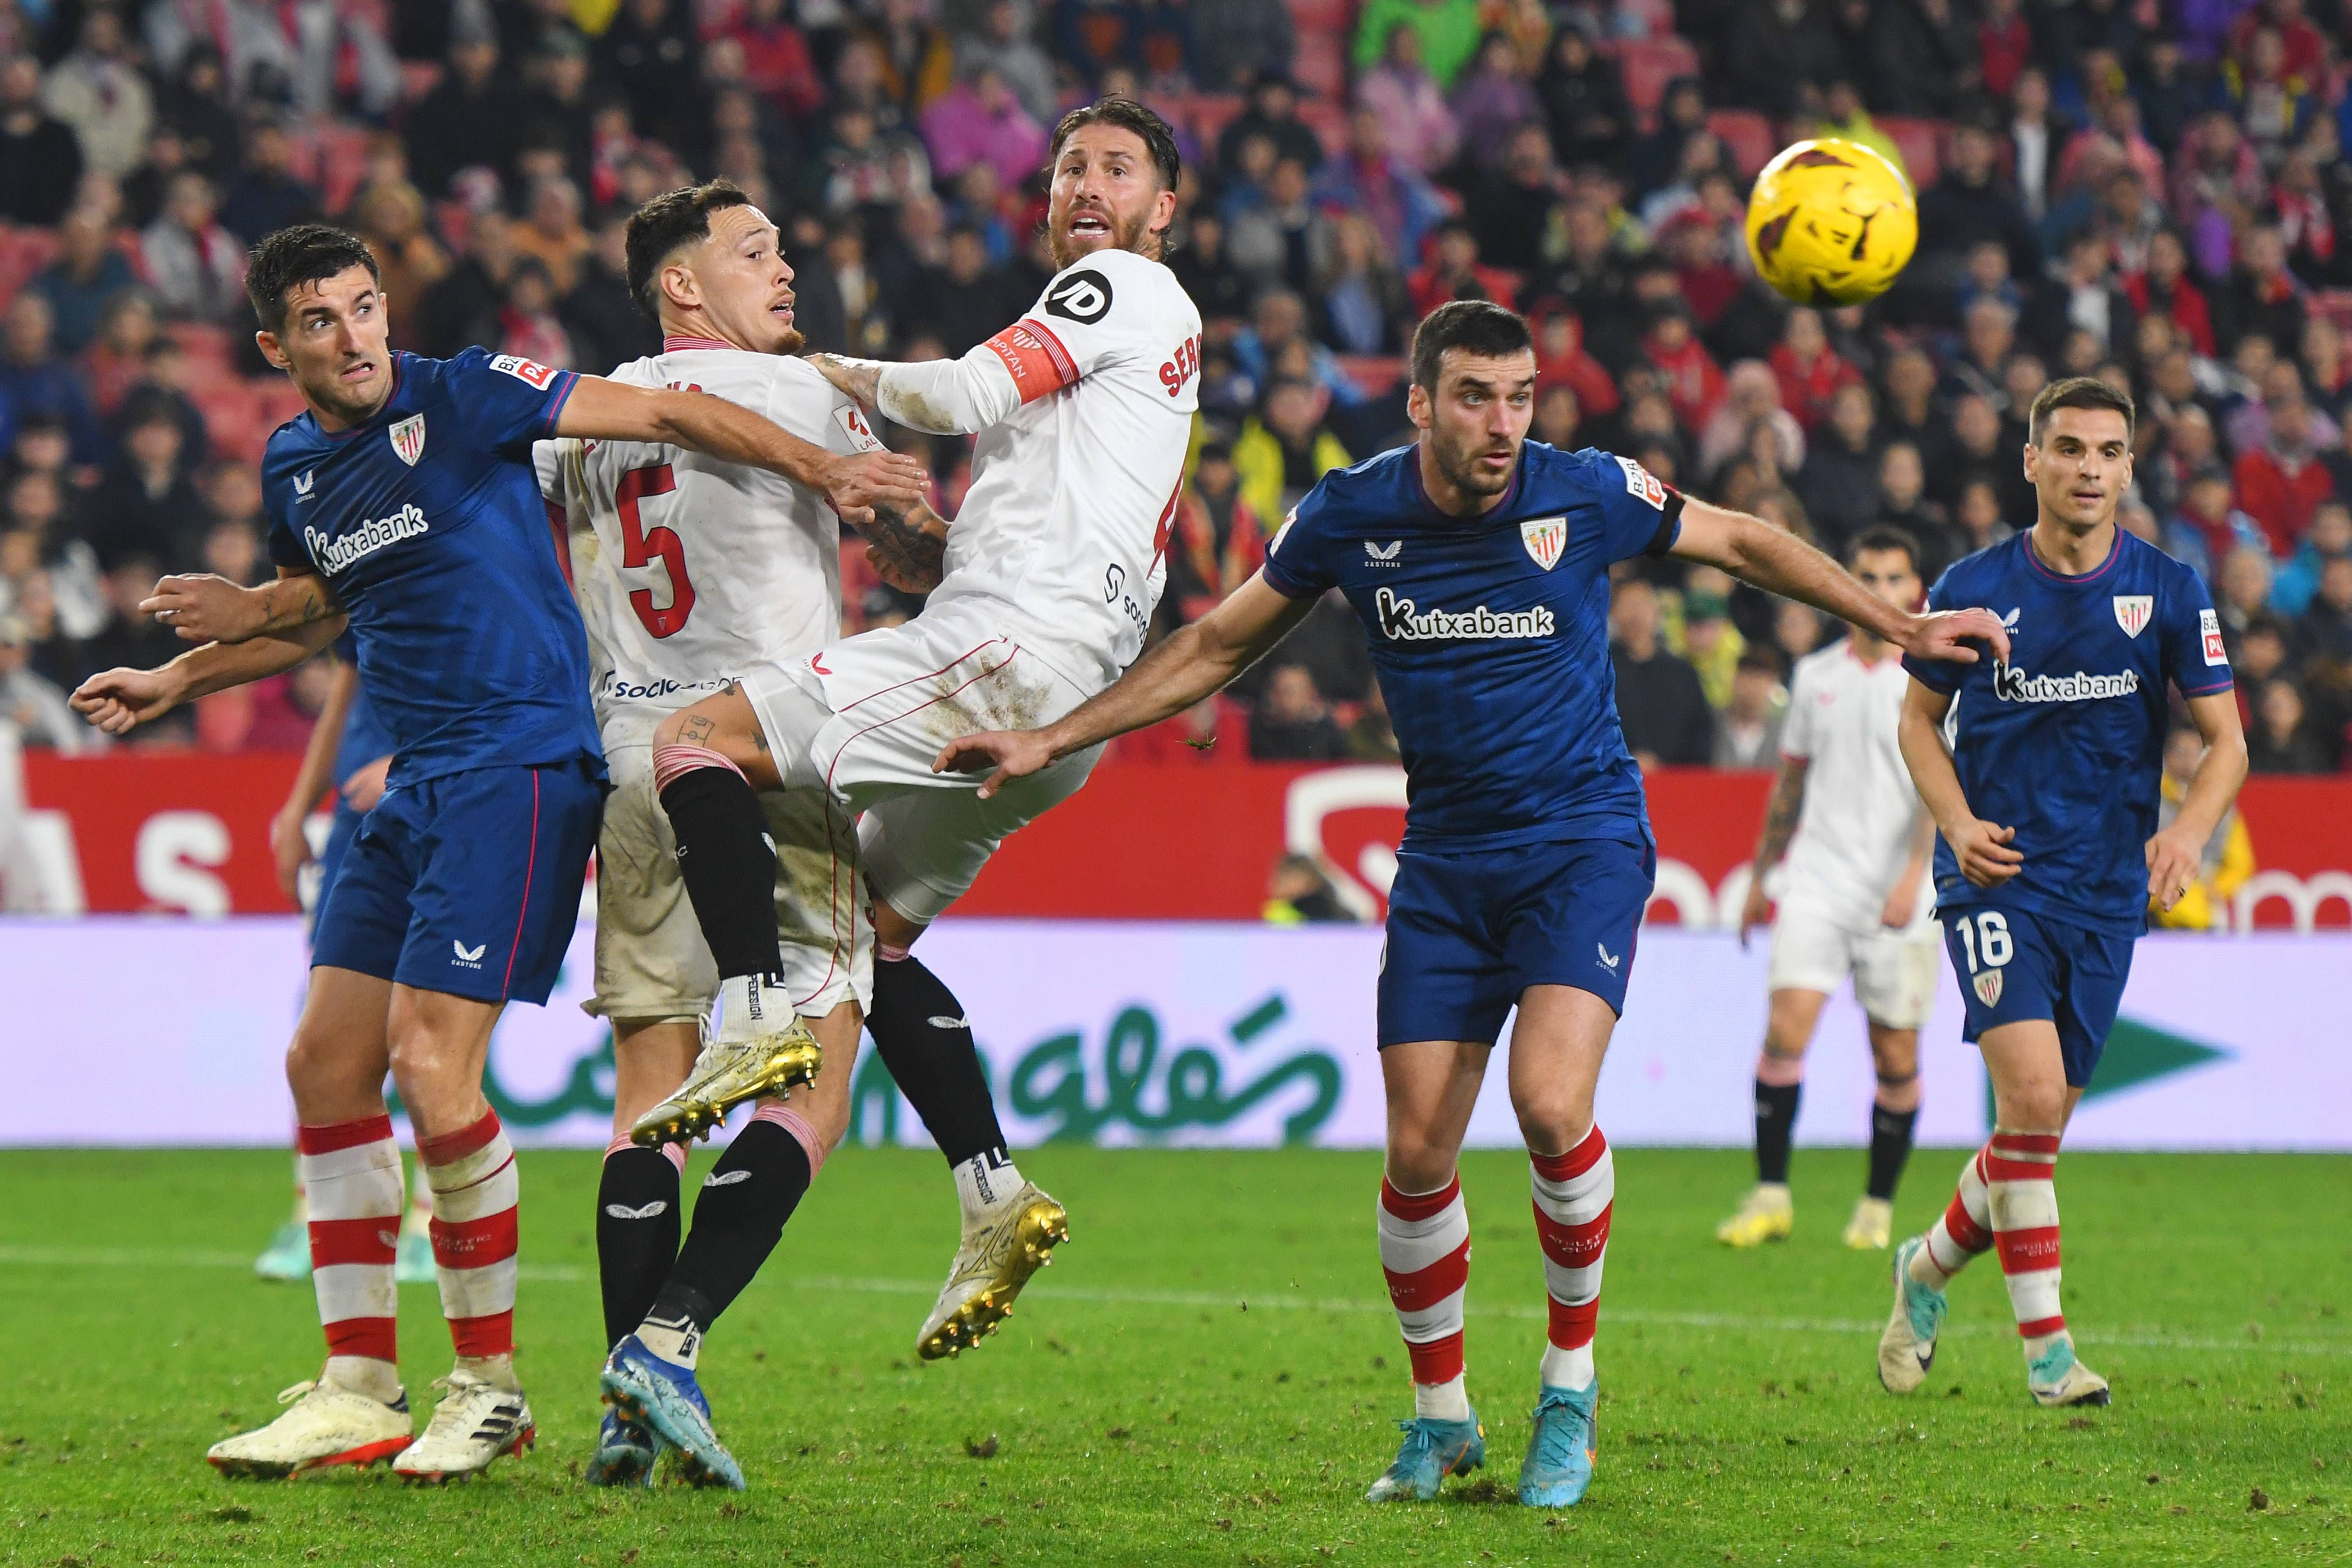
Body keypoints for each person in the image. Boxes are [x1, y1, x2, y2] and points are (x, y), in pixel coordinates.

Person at [933, 300, 2003, 1510]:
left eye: (1520, 396)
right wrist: (1051, 738)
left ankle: (1568, 1389)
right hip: (1444, 862)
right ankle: (1441, 1419)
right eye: (1477, 397)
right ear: (1421, 404)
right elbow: (1217, 646)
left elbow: (1744, 544)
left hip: (1581, 844)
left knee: (1549, 1105)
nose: (1503, 423)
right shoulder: (1350, 513)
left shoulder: (1583, 491)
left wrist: (1896, 624)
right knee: (1413, 1156)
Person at [69, 223, 925, 1481]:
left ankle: (488, 1390)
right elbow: (321, 608)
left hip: (518, 766)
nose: (355, 337)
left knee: (432, 1066)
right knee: (323, 1064)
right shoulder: (296, 464)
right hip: (414, 779)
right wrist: (180, 675)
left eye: (365, 307)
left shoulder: (467, 393)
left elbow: (663, 412)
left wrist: (825, 468)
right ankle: (359, 1387)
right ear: (273, 348)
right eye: (320, 322)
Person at [611, 97, 1194, 1370]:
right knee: (869, 940)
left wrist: (832, 374)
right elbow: (990, 529)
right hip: (1062, 705)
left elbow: (963, 389)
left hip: (1003, 658)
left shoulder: (1119, 290)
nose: (1086, 187)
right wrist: (924, 546)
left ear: (1163, 209)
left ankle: (750, 1013)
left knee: (695, 743)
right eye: (1069, 168)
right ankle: (991, 1191)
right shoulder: (1097, 350)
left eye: (1117, 170)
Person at [534, 179, 975, 1491]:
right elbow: (912, 564)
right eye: (753, 252)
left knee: (649, 1102)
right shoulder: (802, 397)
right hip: (763, 758)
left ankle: (623, 1407)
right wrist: (936, 543)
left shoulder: (586, 418)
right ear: (682, 286)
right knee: (813, 1091)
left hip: (631, 763)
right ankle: (666, 1343)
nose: (786, 270)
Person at [1880, 378, 2247, 1411]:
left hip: (2105, 891)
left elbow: (2227, 742)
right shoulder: (1974, 586)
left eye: (2109, 452)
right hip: (1995, 876)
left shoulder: (2169, 590)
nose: (2090, 468)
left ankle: (1924, 1271)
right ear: (2031, 461)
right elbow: (1916, 721)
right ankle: (2049, 1354)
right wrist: (1957, 825)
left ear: (2130, 468)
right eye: (2071, 448)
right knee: (2034, 1103)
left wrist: (2187, 830)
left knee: (2029, 1137)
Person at [1721, 528, 1941, 1255]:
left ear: (1915, 590)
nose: (1880, 592)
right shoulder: (1815, 675)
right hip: (1817, 881)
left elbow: (1940, 788)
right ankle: (1770, 1197)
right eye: (1867, 577)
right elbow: (1791, 784)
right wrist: (1761, 876)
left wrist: (1914, 875)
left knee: (1895, 1059)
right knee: (1784, 1034)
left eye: (1893, 578)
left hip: (1899, 893)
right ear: (1846, 585)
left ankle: (1876, 1209)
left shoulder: (1931, 681)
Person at [251, 648, 429, 1286]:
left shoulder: (477, 593)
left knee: (435, 1020)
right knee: (320, 1030)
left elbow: (508, 695)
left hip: (443, 810)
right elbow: (345, 693)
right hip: (356, 821)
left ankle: (429, 1221)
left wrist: (413, 769)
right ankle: (312, 1215)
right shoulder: (365, 594)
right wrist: (299, 808)